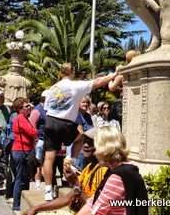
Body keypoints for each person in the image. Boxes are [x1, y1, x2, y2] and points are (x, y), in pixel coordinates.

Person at [43, 63, 120, 201]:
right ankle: (71, 160)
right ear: (72, 72)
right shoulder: (75, 85)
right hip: (65, 122)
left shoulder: (52, 88)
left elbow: (47, 109)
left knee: (49, 157)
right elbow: (97, 82)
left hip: (49, 121)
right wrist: (114, 75)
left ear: (61, 73)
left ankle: (47, 191)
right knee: (80, 138)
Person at [21, 127, 108, 215]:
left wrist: (76, 183)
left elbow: (93, 209)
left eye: (91, 142)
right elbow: (67, 198)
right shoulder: (88, 168)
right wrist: (36, 208)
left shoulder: (103, 171)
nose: (86, 145)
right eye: (84, 141)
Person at [71, 126, 149, 215]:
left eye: (97, 147)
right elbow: (92, 203)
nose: (95, 153)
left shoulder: (117, 177)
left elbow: (94, 213)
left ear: (105, 149)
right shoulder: (124, 170)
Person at [11, 98, 38, 211]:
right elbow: (32, 132)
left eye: (29, 106)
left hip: (25, 150)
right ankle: (16, 203)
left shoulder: (24, 118)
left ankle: (22, 201)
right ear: (19, 109)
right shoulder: (20, 118)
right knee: (20, 177)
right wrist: (37, 131)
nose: (29, 108)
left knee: (24, 177)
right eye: (26, 107)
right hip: (21, 151)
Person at [29, 90, 48, 191]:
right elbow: (32, 126)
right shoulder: (36, 110)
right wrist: (35, 140)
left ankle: (47, 183)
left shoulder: (48, 109)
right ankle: (37, 184)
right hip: (39, 140)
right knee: (38, 162)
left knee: (46, 161)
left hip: (48, 139)